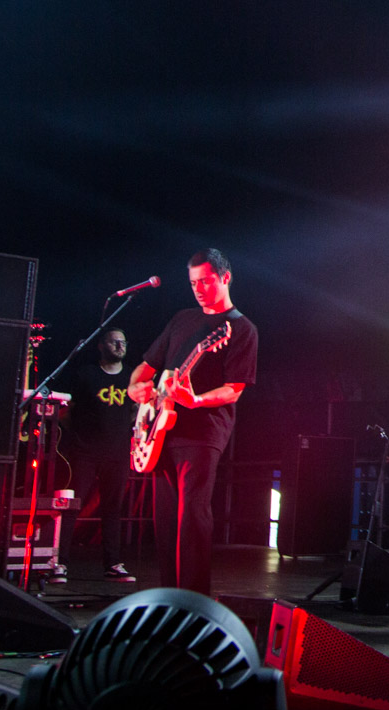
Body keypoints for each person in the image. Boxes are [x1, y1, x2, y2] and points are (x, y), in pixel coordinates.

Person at [128, 249, 259, 596]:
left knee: (193, 514)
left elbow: (234, 390)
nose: (198, 289)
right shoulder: (182, 319)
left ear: (225, 277)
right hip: (160, 430)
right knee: (167, 519)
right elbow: (146, 367)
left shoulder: (241, 328)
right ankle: (170, 596)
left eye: (205, 281)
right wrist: (135, 388)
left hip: (204, 431)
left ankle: (194, 598)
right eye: (193, 283)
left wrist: (196, 399)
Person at [55, 327, 138, 583]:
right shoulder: (86, 376)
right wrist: (80, 438)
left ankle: (113, 563)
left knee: (113, 508)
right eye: (114, 342)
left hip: (118, 453)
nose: (120, 346)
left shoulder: (132, 379)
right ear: (101, 345)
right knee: (71, 506)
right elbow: (65, 412)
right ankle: (58, 562)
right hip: (86, 453)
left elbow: (137, 410)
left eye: (123, 342)